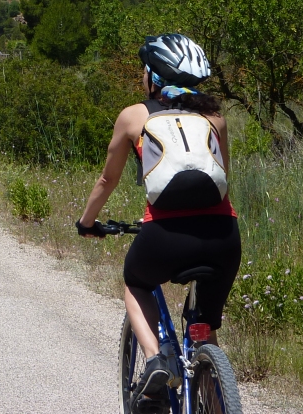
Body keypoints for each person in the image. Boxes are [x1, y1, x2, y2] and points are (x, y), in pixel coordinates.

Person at [77, 34, 241, 413]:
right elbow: (223, 178)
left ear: (153, 75)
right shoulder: (215, 117)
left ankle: (154, 361)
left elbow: (107, 181)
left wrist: (87, 222)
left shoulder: (135, 115)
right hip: (223, 237)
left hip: (164, 236)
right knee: (204, 329)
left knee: (136, 282)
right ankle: (211, 382)